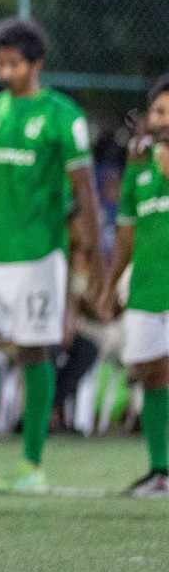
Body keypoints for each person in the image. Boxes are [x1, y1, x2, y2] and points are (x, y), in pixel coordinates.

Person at [0, 18, 104, 492]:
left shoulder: (62, 115)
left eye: (15, 63)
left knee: (35, 352)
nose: (6, 72)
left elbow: (85, 189)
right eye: (0, 63)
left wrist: (93, 255)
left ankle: (32, 463)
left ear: (37, 64)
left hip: (38, 256)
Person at [98, 77, 169, 497]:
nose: (160, 120)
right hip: (146, 286)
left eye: (167, 113)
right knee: (149, 374)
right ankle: (159, 470)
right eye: (157, 112)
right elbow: (125, 235)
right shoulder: (136, 170)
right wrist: (109, 285)